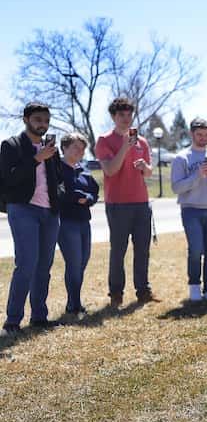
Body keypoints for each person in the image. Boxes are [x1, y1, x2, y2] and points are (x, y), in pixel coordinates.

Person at [0, 102, 64, 335]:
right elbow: (8, 179)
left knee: (44, 267)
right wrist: (37, 158)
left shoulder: (50, 147)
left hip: (49, 213)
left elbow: (58, 179)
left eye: (46, 121)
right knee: (26, 264)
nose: (43, 124)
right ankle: (12, 321)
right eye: (38, 119)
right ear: (25, 119)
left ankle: (39, 317)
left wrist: (60, 197)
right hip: (23, 209)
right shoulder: (11, 145)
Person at [95, 96, 158, 306]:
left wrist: (144, 167)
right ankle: (116, 293)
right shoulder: (104, 140)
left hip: (141, 203)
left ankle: (143, 291)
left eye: (129, 114)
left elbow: (149, 173)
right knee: (118, 250)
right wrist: (124, 147)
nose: (126, 118)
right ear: (113, 117)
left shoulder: (143, 142)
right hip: (118, 204)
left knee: (142, 249)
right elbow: (110, 170)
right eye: (121, 115)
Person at [171, 118, 207, 303]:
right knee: (196, 249)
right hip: (191, 210)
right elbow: (176, 187)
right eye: (199, 135)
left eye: (206, 134)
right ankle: (194, 286)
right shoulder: (182, 158)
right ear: (191, 134)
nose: (203, 138)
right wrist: (196, 176)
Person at [57, 132, 100, 319]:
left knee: (82, 262)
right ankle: (74, 305)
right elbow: (61, 191)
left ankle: (72, 302)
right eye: (75, 147)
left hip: (84, 221)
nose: (79, 151)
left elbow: (94, 192)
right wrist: (78, 196)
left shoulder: (83, 170)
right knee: (74, 263)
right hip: (66, 221)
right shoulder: (57, 168)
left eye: (82, 148)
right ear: (64, 148)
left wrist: (88, 198)